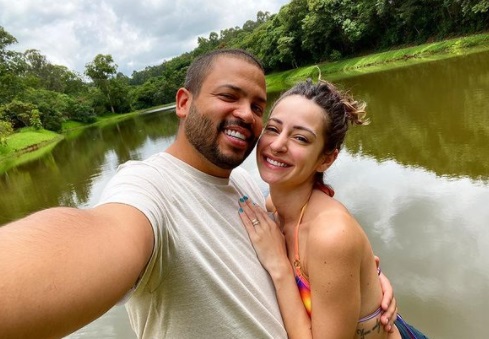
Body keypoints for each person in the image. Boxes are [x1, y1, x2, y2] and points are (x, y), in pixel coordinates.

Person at [0, 49, 397, 338]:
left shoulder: (243, 181)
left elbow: (309, 251)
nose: (247, 115)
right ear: (183, 102)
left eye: (258, 106)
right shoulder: (148, 189)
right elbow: (99, 236)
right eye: (229, 96)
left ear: (326, 156)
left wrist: (365, 282)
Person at [238, 79, 428, 338]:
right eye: (273, 129)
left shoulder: (329, 235)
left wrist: (279, 267)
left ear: (327, 159)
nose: (278, 144)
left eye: (301, 138)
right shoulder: (274, 207)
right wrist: (372, 274)